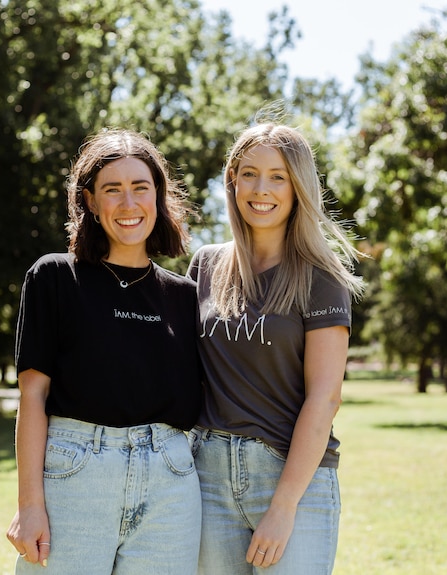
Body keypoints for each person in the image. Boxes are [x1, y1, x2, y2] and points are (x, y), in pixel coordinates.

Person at [7, 128, 203, 575]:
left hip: (171, 483)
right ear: (91, 202)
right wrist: (29, 504)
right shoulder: (54, 277)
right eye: (112, 190)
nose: (129, 203)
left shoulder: (186, 297)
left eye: (141, 187)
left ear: (159, 197)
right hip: (75, 478)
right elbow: (32, 397)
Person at [187, 120, 366, 574]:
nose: (260, 188)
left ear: (298, 187)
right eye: (248, 173)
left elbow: (324, 398)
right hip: (207, 476)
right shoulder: (205, 266)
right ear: (232, 181)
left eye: (277, 176)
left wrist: (284, 506)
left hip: (293, 479)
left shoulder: (321, 279)